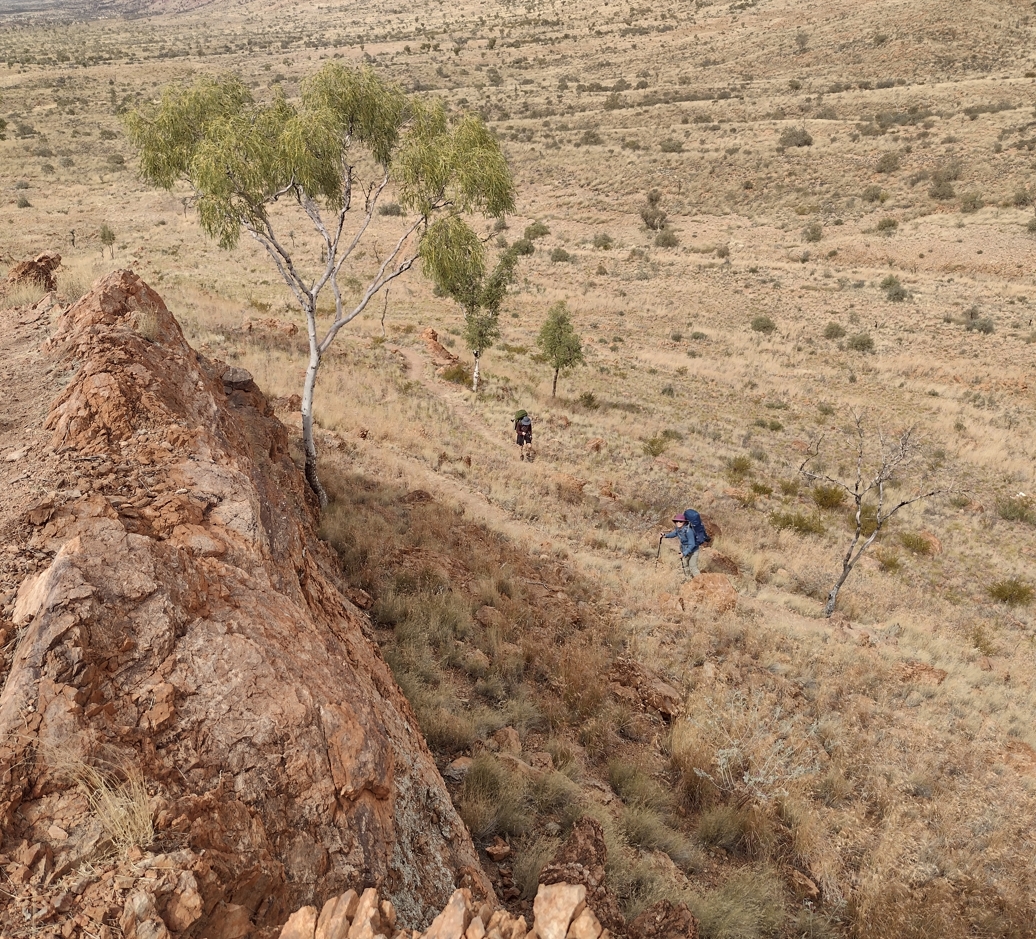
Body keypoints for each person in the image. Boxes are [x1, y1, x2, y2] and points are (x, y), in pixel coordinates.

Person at [661, 513, 704, 579]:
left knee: (692, 566)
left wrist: (684, 553)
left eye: (680, 521)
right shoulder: (678, 529)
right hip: (684, 549)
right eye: (676, 521)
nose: (678, 523)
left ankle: (700, 582)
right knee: (685, 566)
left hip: (693, 551)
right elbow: (674, 534)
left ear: (684, 522)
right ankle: (689, 581)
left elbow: (692, 544)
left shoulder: (688, 531)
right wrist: (665, 535)